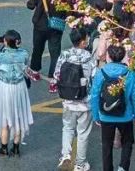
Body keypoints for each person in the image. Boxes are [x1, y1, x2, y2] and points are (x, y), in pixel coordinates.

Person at [89, 44, 135, 171]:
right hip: (125, 115)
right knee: (127, 143)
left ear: (108, 56)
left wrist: (96, 115)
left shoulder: (100, 73)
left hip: (106, 115)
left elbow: (94, 95)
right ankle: (123, 167)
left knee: (106, 145)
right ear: (123, 57)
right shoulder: (130, 74)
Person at [0, 30, 34, 158]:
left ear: (6, 42)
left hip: (5, 87)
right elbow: (25, 65)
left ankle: (4, 149)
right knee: (18, 118)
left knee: (4, 118)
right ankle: (16, 149)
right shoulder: (24, 54)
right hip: (20, 87)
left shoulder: (1, 56)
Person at [56, 28, 96, 171]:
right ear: (83, 42)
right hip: (84, 102)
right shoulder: (89, 57)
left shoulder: (64, 54)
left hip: (68, 101)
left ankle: (66, 155)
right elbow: (94, 78)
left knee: (67, 128)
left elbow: (56, 75)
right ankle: (80, 164)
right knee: (83, 133)